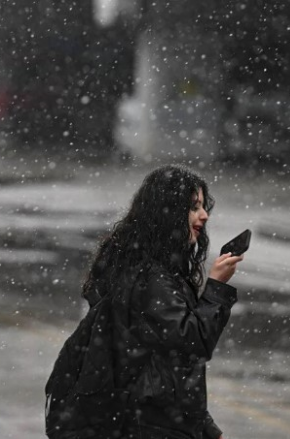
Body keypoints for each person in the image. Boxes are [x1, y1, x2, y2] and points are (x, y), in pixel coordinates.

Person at [81, 164, 242, 439]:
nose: (204, 216)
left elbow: (165, 363)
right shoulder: (151, 277)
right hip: (150, 424)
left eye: (203, 207)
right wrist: (216, 288)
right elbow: (190, 342)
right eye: (194, 207)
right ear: (167, 212)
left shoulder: (141, 267)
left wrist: (205, 428)